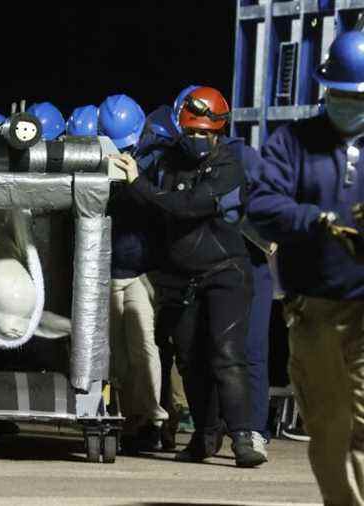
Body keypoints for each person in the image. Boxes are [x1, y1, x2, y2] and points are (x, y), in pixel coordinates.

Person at [112, 86, 265, 468]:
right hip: (180, 277)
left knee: (226, 353)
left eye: (207, 134)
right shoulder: (164, 161)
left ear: (218, 133)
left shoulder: (229, 164)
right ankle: (206, 434)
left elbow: (188, 206)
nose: (200, 139)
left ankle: (243, 434)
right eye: (193, 131)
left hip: (224, 270)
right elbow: (133, 196)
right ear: (181, 128)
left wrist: (140, 185)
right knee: (190, 361)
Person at [247, 30, 364, 503]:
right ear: (326, 90)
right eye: (341, 95)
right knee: (331, 426)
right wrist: (315, 220)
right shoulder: (292, 142)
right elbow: (261, 202)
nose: (350, 104)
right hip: (314, 309)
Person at [98, 94, 169, 454]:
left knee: (144, 348)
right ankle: (126, 420)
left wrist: (135, 180)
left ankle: (153, 421)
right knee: (117, 355)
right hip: (109, 271)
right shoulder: (95, 158)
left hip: (142, 271)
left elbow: (162, 208)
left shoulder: (157, 159)